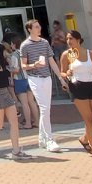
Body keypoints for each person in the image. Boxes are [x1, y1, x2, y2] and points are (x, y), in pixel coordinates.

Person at [19, 20, 61, 153]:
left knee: (46, 108)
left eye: (39, 26)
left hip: (46, 77)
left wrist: (60, 77)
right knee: (44, 108)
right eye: (36, 27)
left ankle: (42, 138)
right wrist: (34, 65)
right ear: (29, 29)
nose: (39, 28)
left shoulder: (44, 42)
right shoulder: (25, 45)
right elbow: (23, 66)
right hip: (34, 78)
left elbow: (51, 61)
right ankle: (49, 139)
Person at [61, 31, 92, 158]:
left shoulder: (90, 53)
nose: (69, 41)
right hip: (77, 86)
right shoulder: (67, 54)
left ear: (78, 39)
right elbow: (62, 72)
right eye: (67, 39)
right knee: (88, 120)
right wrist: (66, 73)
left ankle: (84, 138)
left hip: (91, 85)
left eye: (71, 38)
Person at [6, 34, 36, 130]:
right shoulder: (25, 52)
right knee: (31, 101)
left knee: (24, 103)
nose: (11, 46)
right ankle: (37, 121)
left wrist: (9, 69)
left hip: (19, 79)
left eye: (11, 44)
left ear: (14, 44)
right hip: (29, 78)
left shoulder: (15, 55)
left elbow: (16, 69)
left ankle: (28, 123)